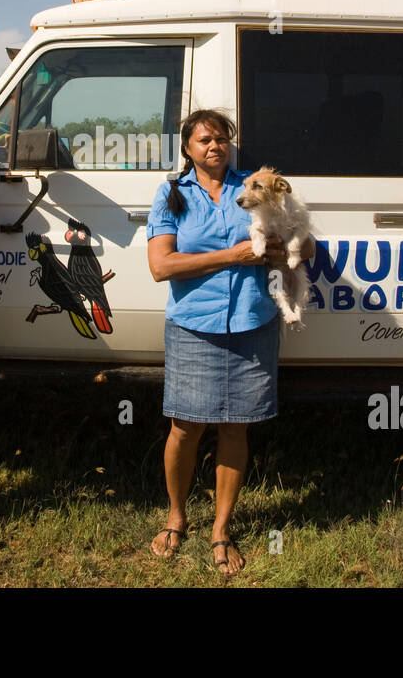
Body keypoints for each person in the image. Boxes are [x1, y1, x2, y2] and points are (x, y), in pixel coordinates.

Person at [145, 108, 311, 574]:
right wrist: (233, 256)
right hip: (194, 324)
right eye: (204, 140)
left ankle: (221, 529)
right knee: (186, 426)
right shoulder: (172, 193)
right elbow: (161, 267)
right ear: (187, 148)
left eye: (221, 139)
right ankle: (177, 518)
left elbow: (304, 241)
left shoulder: (256, 185)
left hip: (252, 321)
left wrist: (290, 247)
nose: (214, 146)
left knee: (236, 426)